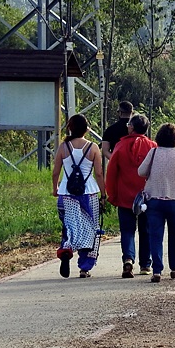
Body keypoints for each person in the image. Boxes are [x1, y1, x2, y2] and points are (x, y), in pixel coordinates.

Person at [138, 123, 175, 283]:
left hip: (154, 200)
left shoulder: (153, 152)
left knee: (155, 235)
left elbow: (141, 171)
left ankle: (157, 270)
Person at [52, 114, 105, 278]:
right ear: (86, 129)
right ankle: (85, 266)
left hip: (66, 194)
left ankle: (66, 248)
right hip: (88, 193)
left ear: (70, 128)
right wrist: (104, 193)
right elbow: (99, 173)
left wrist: (55, 189)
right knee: (90, 229)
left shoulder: (63, 146)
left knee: (70, 226)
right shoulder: (93, 147)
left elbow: (55, 172)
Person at [106, 113, 156, 277]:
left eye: (129, 124)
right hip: (146, 196)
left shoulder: (120, 146)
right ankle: (145, 265)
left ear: (132, 127)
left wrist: (111, 194)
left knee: (127, 230)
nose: (127, 126)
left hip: (124, 196)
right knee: (146, 230)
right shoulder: (152, 147)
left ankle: (128, 259)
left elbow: (111, 173)